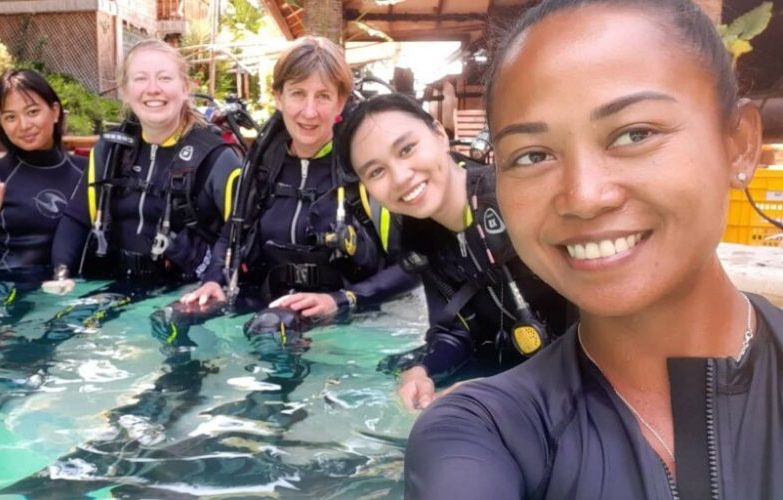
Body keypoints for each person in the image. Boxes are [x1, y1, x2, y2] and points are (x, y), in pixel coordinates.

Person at [405, 1, 781, 498]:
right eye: (532, 155)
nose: (583, 196)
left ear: (739, 144)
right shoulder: (486, 431)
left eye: (634, 134)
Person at [172, 36, 417, 345]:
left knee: (273, 334)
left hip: (351, 313)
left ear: (341, 102)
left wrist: (344, 300)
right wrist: (213, 280)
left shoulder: (366, 169)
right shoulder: (262, 168)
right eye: (298, 94)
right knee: (175, 318)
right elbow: (232, 233)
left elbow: (414, 265)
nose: (309, 111)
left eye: (323, 96)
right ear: (278, 97)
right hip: (269, 305)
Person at [337, 93, 572, 410]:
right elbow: (456, 330)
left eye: (407, 149)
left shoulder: (515, 197)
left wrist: (507, 390)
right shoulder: (423, 238)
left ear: (439, 133)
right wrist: (421, 370)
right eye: (376, 172)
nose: (401, 177)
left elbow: (605, 324)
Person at [48, 39, 240, 300]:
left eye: (164, 78)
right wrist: (62, 275)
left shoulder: (217, 157)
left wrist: (214, 280)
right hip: (114, 284)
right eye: (140, 79)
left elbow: (241, 233)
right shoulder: (111, 151)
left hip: (187, 292)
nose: (153, 89)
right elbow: (77, 219)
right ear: (125, 91)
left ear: (185, 88)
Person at [0, 69, 87, 282]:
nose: (24, 125)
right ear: (0, 123)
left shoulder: (87, 173)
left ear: (55, 112)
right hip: (5, 290)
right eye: (10, 117)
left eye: (33, 112)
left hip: (68, 289)